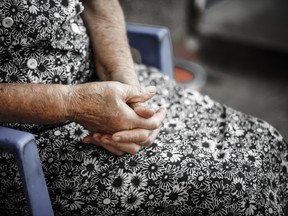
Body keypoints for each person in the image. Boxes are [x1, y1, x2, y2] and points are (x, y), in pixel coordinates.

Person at [0, 0, 287, 215]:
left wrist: (129, 92)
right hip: (31, 138)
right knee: (233, 186)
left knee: (264, 140)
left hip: (101, 91)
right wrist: (72, 104)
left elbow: (101, 7)